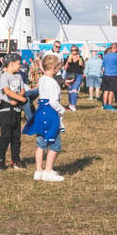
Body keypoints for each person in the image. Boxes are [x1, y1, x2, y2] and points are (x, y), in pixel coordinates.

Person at [24, 54, 66, 182]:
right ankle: (48, 170)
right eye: (58, 67)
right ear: (54, 68)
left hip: (41, 111)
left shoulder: (42, 80)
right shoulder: (53, 83)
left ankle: (39, 170)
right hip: (50, 112)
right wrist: (62, 109)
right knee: (54, 143)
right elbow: (53, 102)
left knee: (40, 142)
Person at [0, 53, 27, 171]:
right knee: (6, 136)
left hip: (16, 109)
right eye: (19, 63)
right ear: (11, 64)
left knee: (16, 136)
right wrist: (19, 99)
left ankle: (16, 159)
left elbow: (23, 89)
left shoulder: (18, 76)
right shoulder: (5, 76)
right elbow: (7, 91)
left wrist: (19, 97)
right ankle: (1, 160)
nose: (20, 66)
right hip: (6, 109)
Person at [101, 43, 117, 111]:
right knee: (111, 91)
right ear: (116, 48)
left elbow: (103, 65)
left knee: (106, 90)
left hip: (106, 75)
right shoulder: (116, 56)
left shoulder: (106, 56)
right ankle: (109, 105)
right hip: (113, 75)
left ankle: (105, 104)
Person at [63, 44, 84, 112]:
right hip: (69, 74)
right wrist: (67, 63)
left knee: (75, 89)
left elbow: (83, 67)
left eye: (75, 50)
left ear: (77, 50)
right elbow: (65, 68)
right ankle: (70, 104)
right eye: (72, 50)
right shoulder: (68, 57)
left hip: (78, 74)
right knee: (70, 90)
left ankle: (73, 105)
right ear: (70, 51)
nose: (74, 51)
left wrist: (82, 64)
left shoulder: (80, 57)